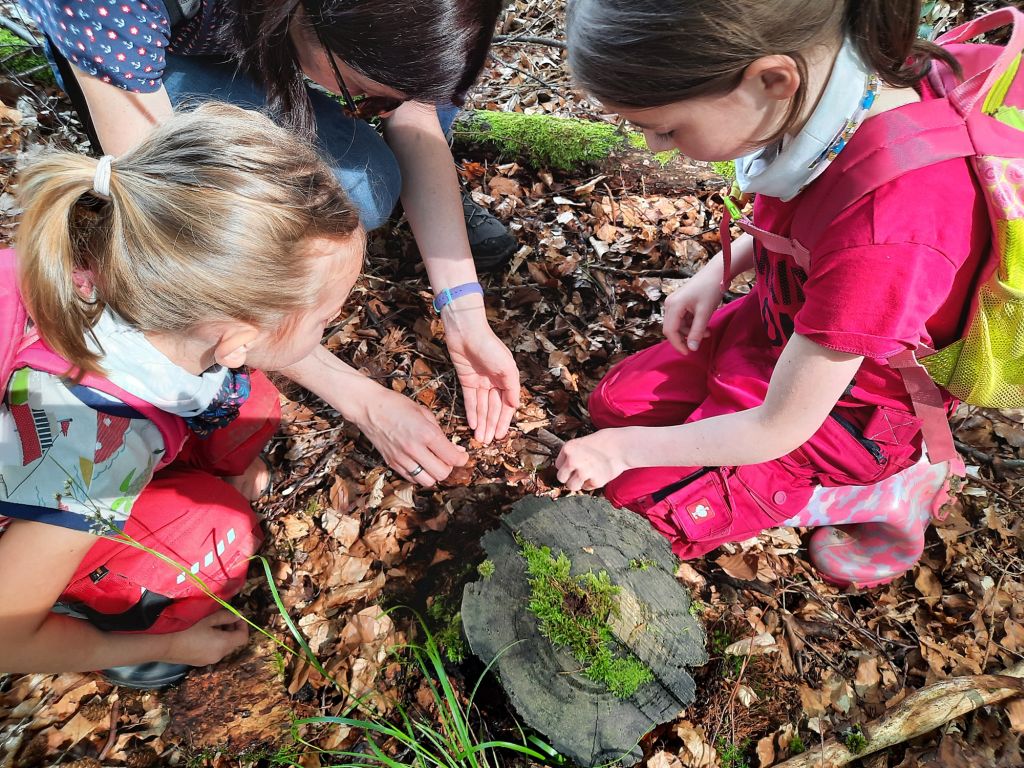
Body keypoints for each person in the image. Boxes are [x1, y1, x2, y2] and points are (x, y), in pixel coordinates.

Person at [557, 0, 988, 587]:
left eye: (665, 128)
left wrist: (623, 452)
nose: (656, 148)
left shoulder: (889, 228)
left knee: (631, 507)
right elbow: (805, 227)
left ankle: (882, 490)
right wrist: (719, 270)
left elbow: (778, 426)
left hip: (844, 412)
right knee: (615, 403)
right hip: (780, 332)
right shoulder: (834, 93)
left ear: (771, 80)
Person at [18, 0, 521, 481]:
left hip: (256, 31)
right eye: (368, 98)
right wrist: (360, 399)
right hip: (158, 58)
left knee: (402, 125)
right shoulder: (109, 11)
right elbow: (190, 241)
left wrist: (463, 311)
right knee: (363, 188)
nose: (375, 112)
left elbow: (416, 116)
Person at [0, 102, 398, 687]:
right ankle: (105, 624)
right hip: (40, 516)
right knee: (220, 539)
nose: (328, 331)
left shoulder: (120, 253)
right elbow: (6, 637)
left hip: (65, 430)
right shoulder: (95, 449)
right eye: (325, 320)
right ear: (235, 339)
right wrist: (182, 644)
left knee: (250, 408)